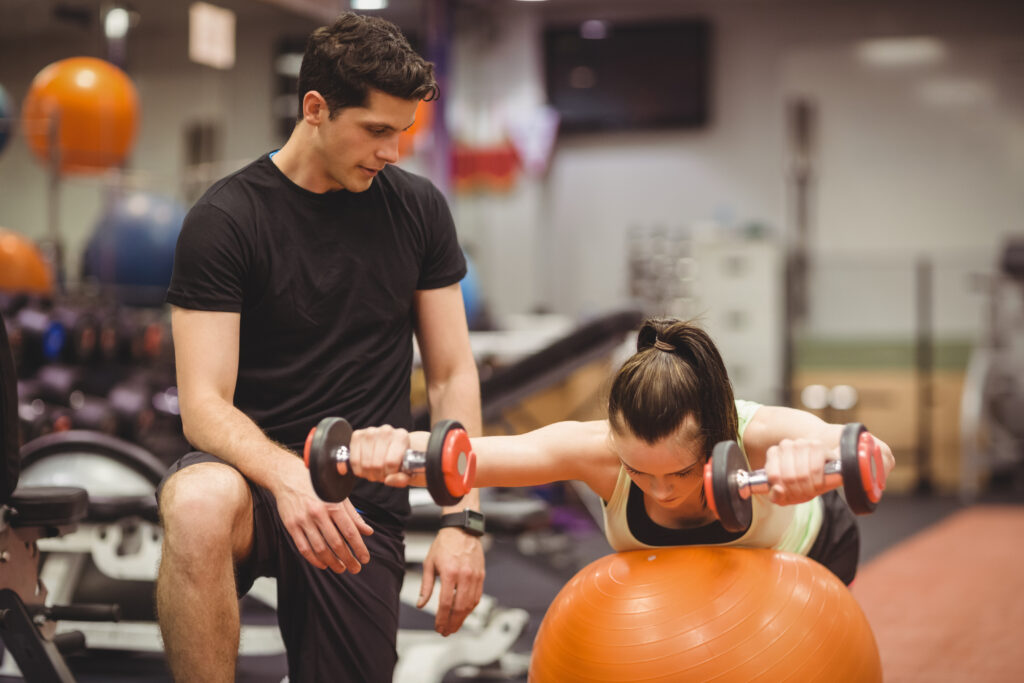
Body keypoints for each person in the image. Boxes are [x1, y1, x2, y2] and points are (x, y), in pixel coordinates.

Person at [155, 13, 484, 683]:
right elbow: (203, 405)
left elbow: (451, 375)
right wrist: (287, 477)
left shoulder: (418, 211)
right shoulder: (226, 220)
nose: (392, 152)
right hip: (255, 481)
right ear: (315, 109)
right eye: (377, 131)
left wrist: (462, 519)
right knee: (196, 501)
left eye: (403, 134)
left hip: (357, 505)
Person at [344, 317, 895, 586]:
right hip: (682, 587)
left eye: (678, 473)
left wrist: (810, 466)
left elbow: (872, 453)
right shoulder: (593, 451)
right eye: (639, 471)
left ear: (717, 437)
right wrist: (385, 450)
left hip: (808, 561)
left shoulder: (756, 433)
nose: (658, 491)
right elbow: (468, 457)